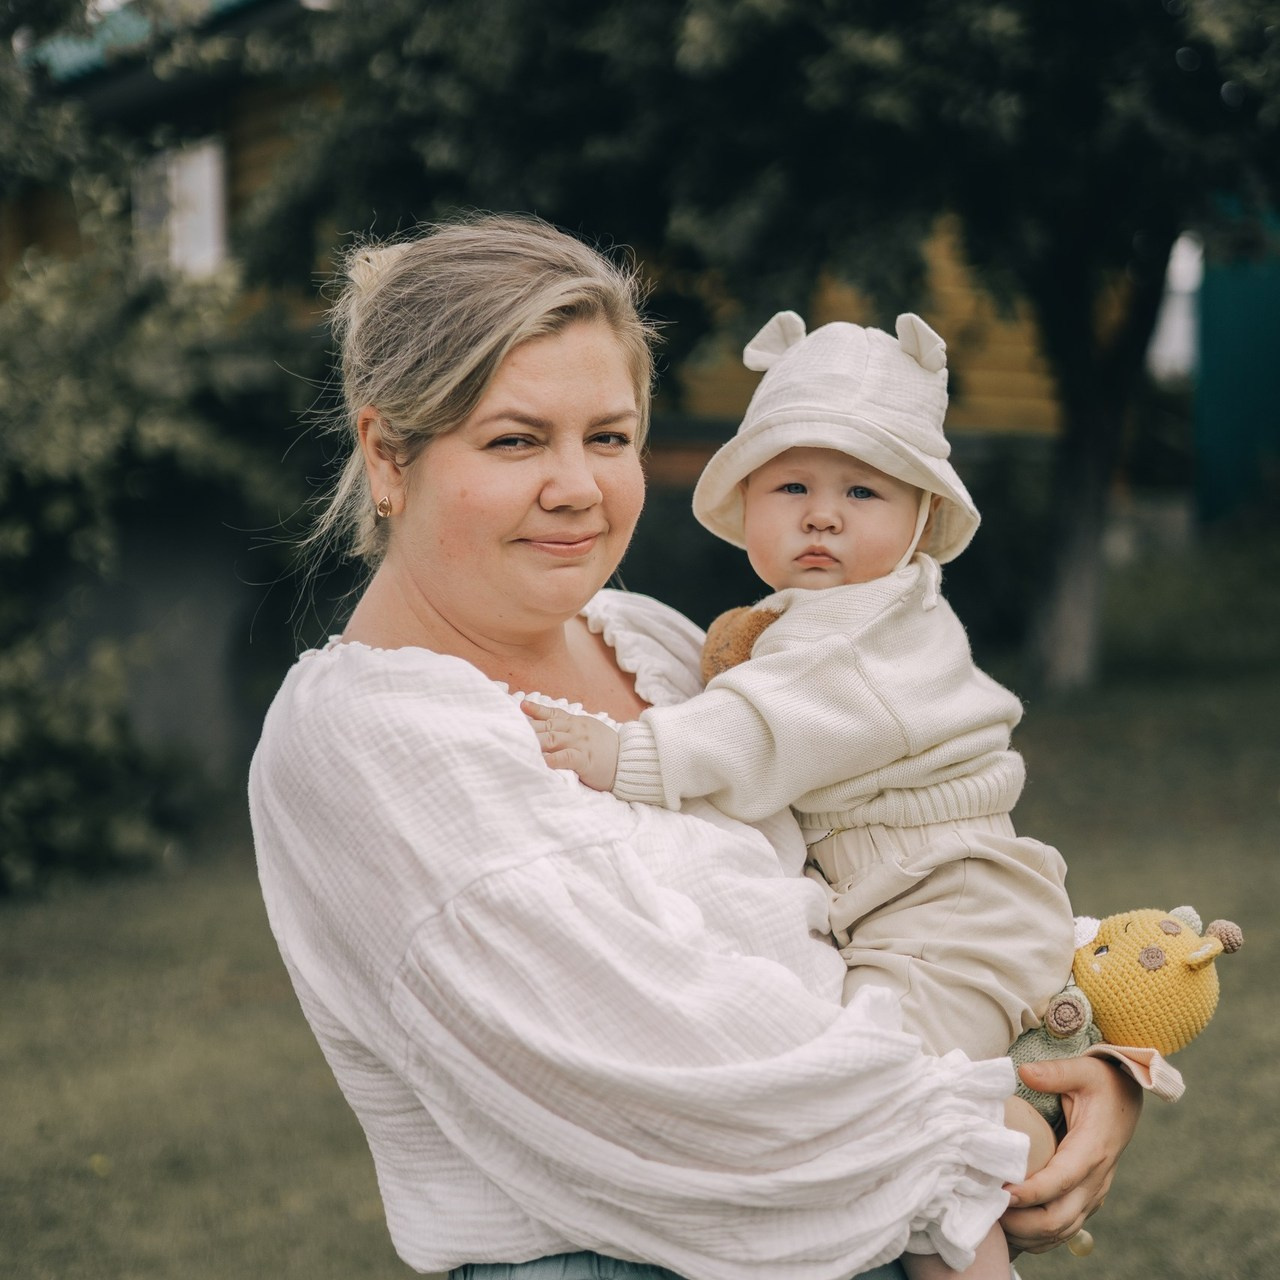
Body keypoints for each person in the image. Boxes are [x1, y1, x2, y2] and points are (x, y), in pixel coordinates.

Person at [248, 213, 1142, 1280]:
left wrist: (1068, 1050)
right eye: (514, 439)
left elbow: (886, 863)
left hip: (868, 1223)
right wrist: (991, 1115)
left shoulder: (667, 648)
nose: (576, 485)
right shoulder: (374, 739)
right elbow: (679, 1073)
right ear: (386, 453)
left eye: (610, 436)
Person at [523, 309, 1078, 1280]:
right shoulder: (820, 618)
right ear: (749, 502)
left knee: (891, 1106)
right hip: (919, 900)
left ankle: (989, 1189)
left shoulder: (854, 634)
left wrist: (623, 754)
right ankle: (1002, 1137)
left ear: (918, 519)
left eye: (861, 487)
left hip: (943, 911)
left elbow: (756, 726)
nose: (821, 512)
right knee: (888, 1095)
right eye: (791, 485)